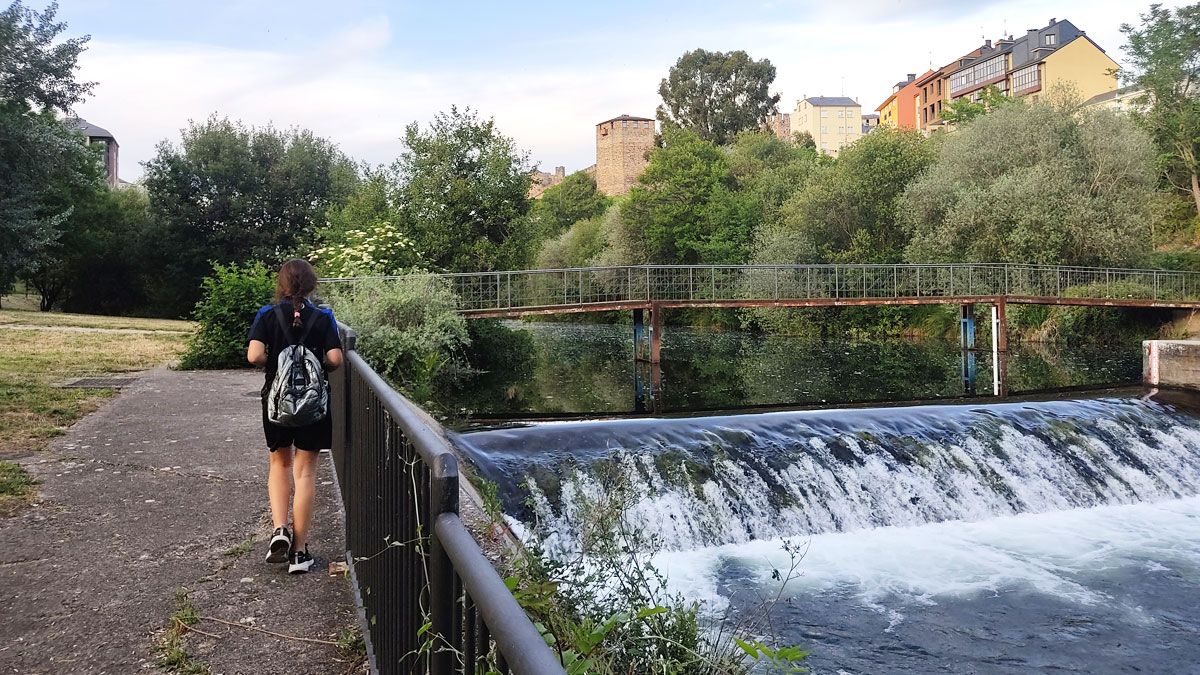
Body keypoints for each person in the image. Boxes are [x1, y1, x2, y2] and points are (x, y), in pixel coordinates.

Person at [247, 259, 343, 574]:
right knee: (305, 474)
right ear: (312, 284)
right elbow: (335, 358)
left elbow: (254, 355)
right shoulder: (323, 316)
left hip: (276, 404)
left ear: (282, 285)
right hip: (313, 407)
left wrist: (277, 359)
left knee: (279, 463)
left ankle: (279, 530)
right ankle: (300, 553)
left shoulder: (267, 314)